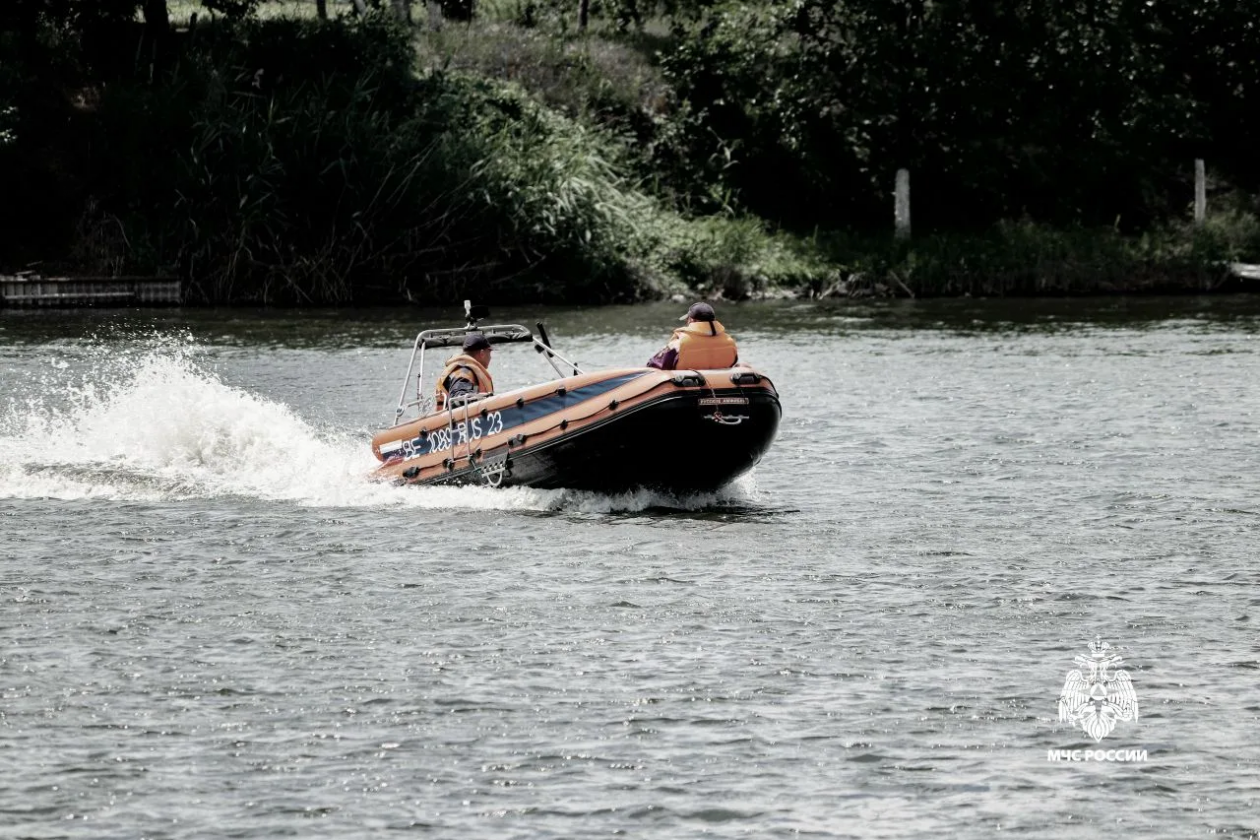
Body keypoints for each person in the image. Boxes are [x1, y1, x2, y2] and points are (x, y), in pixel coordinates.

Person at [646, 301, 739, 370]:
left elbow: (654, 365)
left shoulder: (678, 344)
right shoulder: (730, 341)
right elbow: (733, 363)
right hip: (721, 385)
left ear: (691, 320)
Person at [435, 332, 495, 411]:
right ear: (482, 353)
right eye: (489, 352)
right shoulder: (463, 373)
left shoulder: (467, 370)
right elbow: (458, 399)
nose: (490, 357)